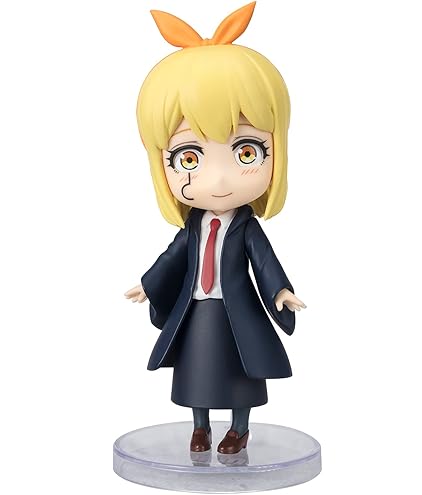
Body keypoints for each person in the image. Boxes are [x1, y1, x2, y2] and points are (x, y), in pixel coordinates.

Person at [124, 1, 306, 454]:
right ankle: (200, 427)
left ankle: (239, 428)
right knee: (196, 374)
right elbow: (173, 256)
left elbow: (264, 261)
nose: (219, 179)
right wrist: (149, 283)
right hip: (199, 309)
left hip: (236, 310)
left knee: (242, 374)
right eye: (189, 157)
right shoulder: (194, 224)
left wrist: (280, 291)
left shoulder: (246, 227)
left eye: (246, 152)